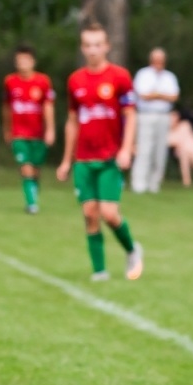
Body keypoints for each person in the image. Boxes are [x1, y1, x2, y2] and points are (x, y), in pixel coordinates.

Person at [56, 23, 144, 283]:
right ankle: (99, 271)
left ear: (107, 46)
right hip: (84, 158)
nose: (93, 50)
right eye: (88, 45)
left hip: (109, 157)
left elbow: (131, 114)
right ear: (82, 48)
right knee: (89, 214)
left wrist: (126, 149)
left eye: (98, 45)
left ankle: (131, 249)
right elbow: (72, 121)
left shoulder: (119, 77)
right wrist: (65, 160)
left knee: (109, 213)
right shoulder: (75, 80)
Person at [2, 44, 56, 214]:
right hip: (19, 133)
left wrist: (50, 129)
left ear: (33, 62)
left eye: (25, 60)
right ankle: (31, 203)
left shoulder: (43, 81)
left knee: (35, 170)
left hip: (38, 134)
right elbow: (6, 108)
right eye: (19, 61)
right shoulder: (10, 81)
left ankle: (33, 194)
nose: (22, 63)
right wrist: (7, 129)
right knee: (25, 168)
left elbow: (48, 106)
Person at [132, 47, 180, 194]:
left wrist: (155, 94)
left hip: (163, 116)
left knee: (160, 151)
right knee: (144, 150)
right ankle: (139, 185)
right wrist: (161, 95)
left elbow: (174, 97)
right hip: (146, 115)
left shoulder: (169, 77)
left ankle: (155, 184)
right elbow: (143, 95)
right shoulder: (143, 74)